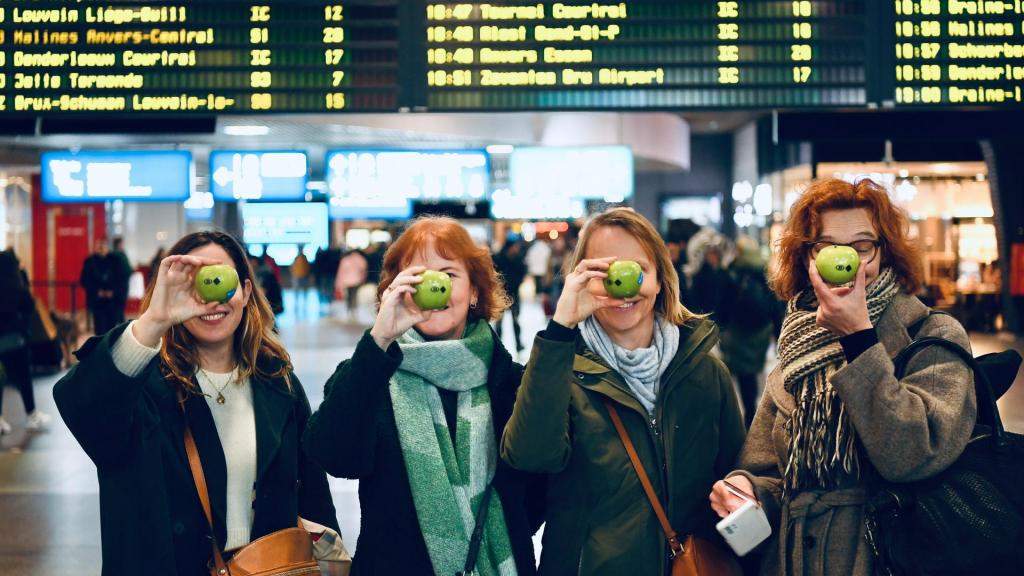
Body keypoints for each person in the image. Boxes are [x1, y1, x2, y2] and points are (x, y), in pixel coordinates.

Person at [710, 178, 977, 576]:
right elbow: (768, 470)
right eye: (829, 247)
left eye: (862, 246)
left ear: (884, 253)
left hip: (888, 557)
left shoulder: (931, 336)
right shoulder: (798, 350)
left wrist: (859, 341)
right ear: (807, 258)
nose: (848, 261)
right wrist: (747, 493)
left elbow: (914, 455)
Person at [54, 231, 339, 576]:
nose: (211, 298)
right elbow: (86, 411)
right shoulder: (143, 385)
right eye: (195, 284)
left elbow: (314, 493)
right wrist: (153, 322)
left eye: (223, 280)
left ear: (247, 292)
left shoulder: (277, 380)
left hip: (269, 567)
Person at [502, 208, 745, 575]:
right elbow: (531, 456)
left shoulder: (706, 374)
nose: (623, 287)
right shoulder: (559, 372)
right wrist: (560, 330)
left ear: (661, 279)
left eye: (638, 270)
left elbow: (734, 478)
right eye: (604, 272)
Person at [304, 216, 545, 575]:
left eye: (449, 274)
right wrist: (379, 340)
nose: (434, 286)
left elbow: (537, 493)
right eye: (416, 276)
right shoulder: (370, 373)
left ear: (475, 290)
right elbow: (334, 456)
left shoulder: (510, 383)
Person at [719, 235, 780, 428]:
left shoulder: (733, 272)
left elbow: (723, 305)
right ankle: (753, 413)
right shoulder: (762, 271)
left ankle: (741, 415)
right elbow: (774, 304)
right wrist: (777, 331)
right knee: (751, 374)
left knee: (736, 375)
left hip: (738, 332)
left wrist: (720, 326)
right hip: (759, 333)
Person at [0, 250, 51, 434]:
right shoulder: (16, 284)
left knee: (0, 379)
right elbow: (29, 305)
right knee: (23, 377)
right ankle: (31, 414)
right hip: (14, 339)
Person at [80, 238, 123, 336]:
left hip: (112, 301)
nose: (102, 248)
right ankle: (100, 349)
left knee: (111, 329)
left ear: (107, 247)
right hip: (97, 301)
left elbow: (120, 280)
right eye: (99, 246)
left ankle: (110, 349)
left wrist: (113, 292)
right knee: (99, 329)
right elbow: (84, 280)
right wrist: (96, 291)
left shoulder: (115, 261)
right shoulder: (90, 261)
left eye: (104, 246)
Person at [492, 239, 527, 353]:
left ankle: (518, 344)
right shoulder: (498, 258)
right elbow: (493, 274)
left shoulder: (518, 259)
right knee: (499, 322)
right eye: (514, 246)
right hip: (501, 294)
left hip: (514, 295)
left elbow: (522, 273)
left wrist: (516, 282)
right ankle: (497, 346)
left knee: (516, 321)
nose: (516, 249)